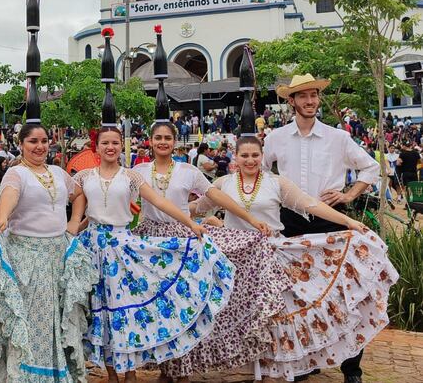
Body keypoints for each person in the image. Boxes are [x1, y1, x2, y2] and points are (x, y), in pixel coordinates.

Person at [193, 136, 397, 383]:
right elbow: (198, 207)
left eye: (255, 155)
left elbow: (310, 204)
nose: (250, 160)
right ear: (235, 157)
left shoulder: (275, 183)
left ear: (262, 157)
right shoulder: (223, 184)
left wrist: (349, 222)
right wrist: (164, 206)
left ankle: (273, 370)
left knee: (274, 316)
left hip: (271, 255)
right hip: (237, 260)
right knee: (246, 316)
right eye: (244, 155)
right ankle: (253, 367)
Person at [73, 126, 235, 383]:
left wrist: (191, 223)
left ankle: (130, 373)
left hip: (122, 246)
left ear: (121, 145)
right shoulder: (82, 177)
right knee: (100, 309)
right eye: (106, 143)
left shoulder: (131, 177)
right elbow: (76, 215)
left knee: (123, 309)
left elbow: (160, 202)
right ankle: (112, 374)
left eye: (116, 142)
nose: (111, 147)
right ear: (97, 146)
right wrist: (66, 239)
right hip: (92, 248)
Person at [134, 122, 285, 383]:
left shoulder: (188, 171)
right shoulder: (137, 171)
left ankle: (180, 369)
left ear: (175, 141)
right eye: (157, 137)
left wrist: (250, 220)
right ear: (149, 140)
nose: (162, 142)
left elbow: (216, 196)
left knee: (181, 306)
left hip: (182, 241)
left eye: (167, 137)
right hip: (147, 243)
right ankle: (163, 367)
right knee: (155, 306)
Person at [263, 74, 382, 383]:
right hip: (291, 222)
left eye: (314, 95)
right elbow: (260, 172)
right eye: (303, 96)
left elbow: (371, 167)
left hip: (333, 218)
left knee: (346, 294)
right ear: (291, 101)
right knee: (298, 296)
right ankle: (306, 362)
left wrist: (349, 194)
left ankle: (351, 368)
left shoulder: (338, 137)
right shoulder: (275, 137)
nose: (311, 101)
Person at [0, 123, 97, 380]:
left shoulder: (57, 172)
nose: (40, 146)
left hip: (58, 255)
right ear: (21, 144)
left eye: (43, 141)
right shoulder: (16, 173)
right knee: (33, 322)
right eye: (33, 141)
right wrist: (3, 217)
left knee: (58, 319)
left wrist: (74, 222)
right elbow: (9, 195)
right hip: (28, 258)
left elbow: (79, 193)